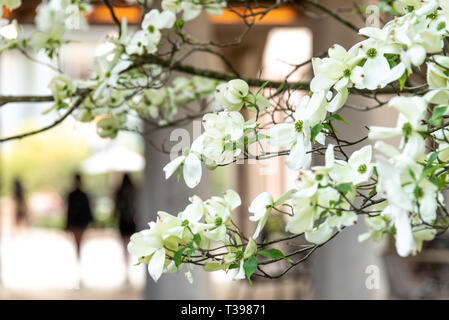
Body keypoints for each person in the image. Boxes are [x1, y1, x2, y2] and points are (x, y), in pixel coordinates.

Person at [66, 173, 93, 261]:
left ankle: (78, 255)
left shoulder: (73, 195)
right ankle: (78, 255)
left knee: (78, 240)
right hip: (79, 221)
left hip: (78, 221)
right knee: (78, 240)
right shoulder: (79, 195)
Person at [113, 173, 137, 275]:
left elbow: (116, 207)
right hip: (131, 220)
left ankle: (126, 265)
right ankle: (128, 264)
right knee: (130, 242)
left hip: (123, 220)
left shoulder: (119, 192)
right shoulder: (133, 191)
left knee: (124, 244)